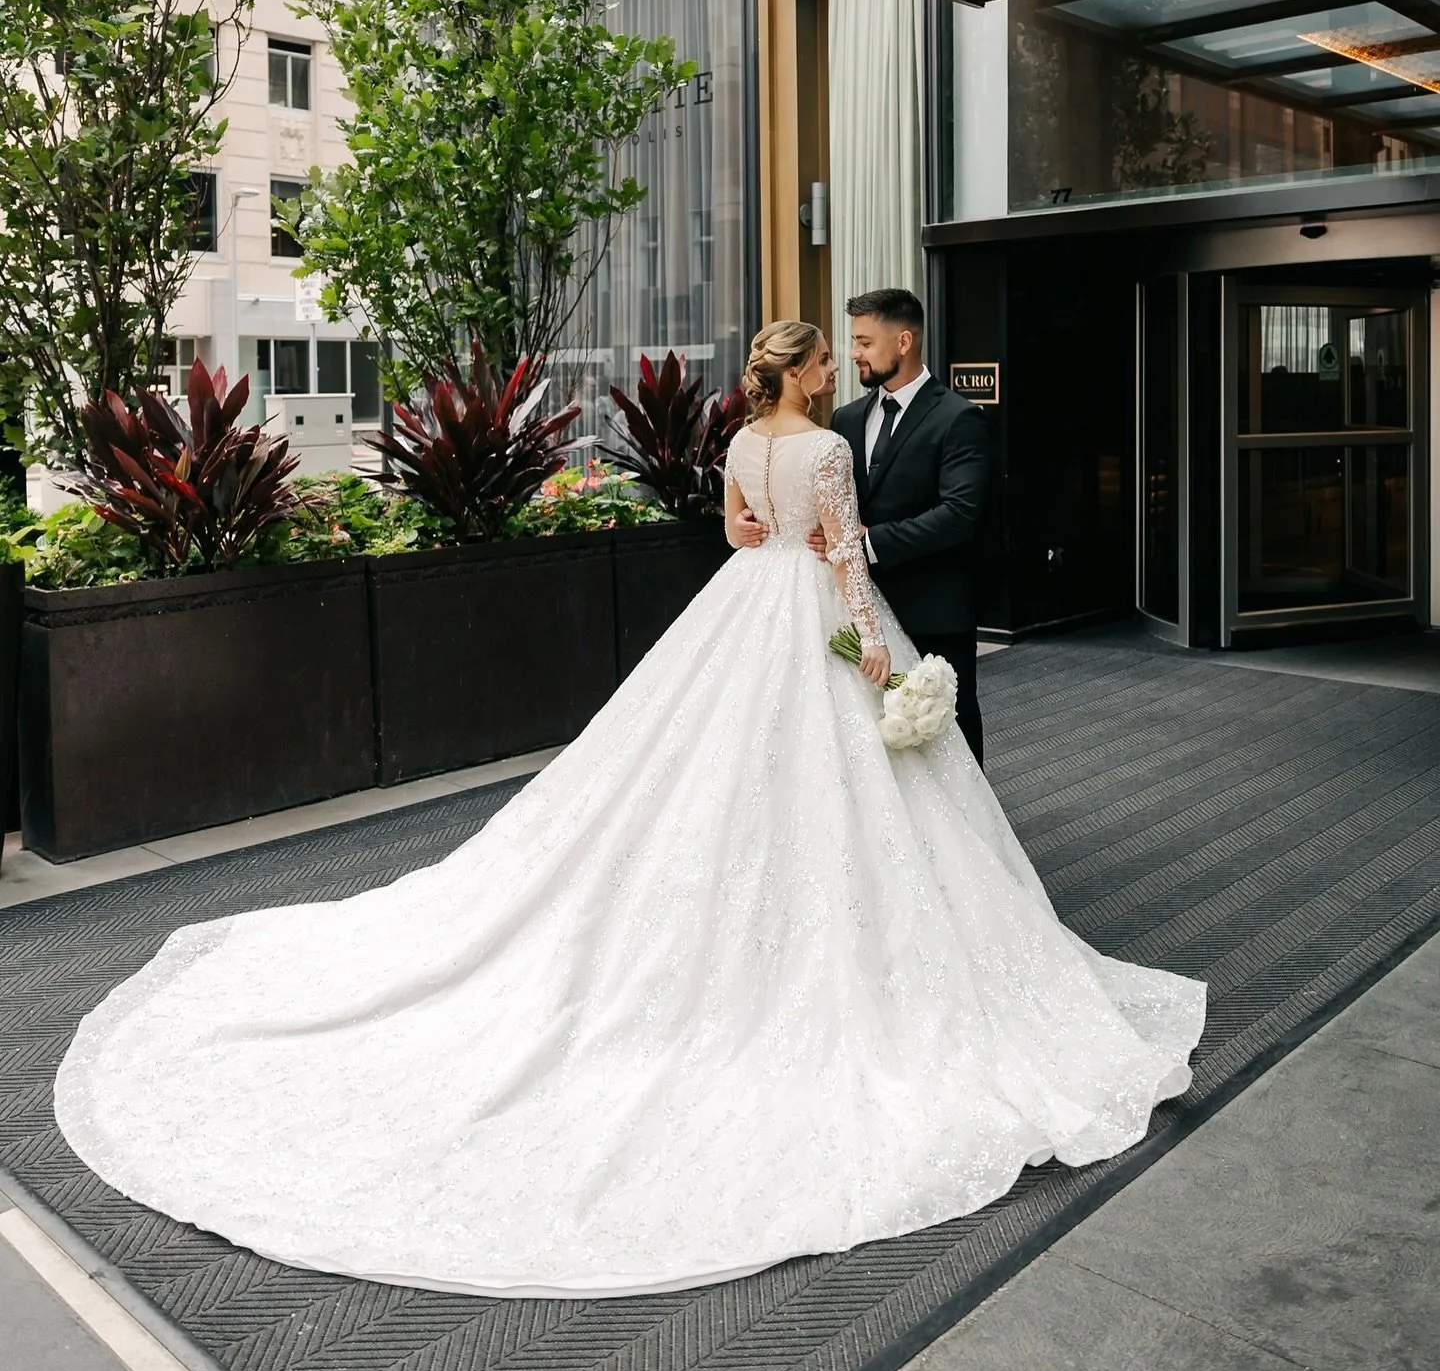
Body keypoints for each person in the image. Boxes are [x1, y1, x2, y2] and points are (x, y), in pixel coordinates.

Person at [54, 321, 1205, 1302]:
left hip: (737, 610)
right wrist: (877, 671)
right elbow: (846, 566)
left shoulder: (746, 444)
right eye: (825, 365)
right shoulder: (825, 449)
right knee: (828, 782)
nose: (832, 379)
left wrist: (776, 549)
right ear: (808, 376)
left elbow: (736, 537)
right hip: (807, 616)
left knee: (694, 772)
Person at [823, 288, 989, 764]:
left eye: (864, 342)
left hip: (933, 607)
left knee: (949, 727)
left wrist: (870, 544)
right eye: (852, 342)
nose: (853, 353)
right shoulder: (846, 418)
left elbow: (959, 514)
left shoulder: (959, 418)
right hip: (862, 609)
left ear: (904, 342)